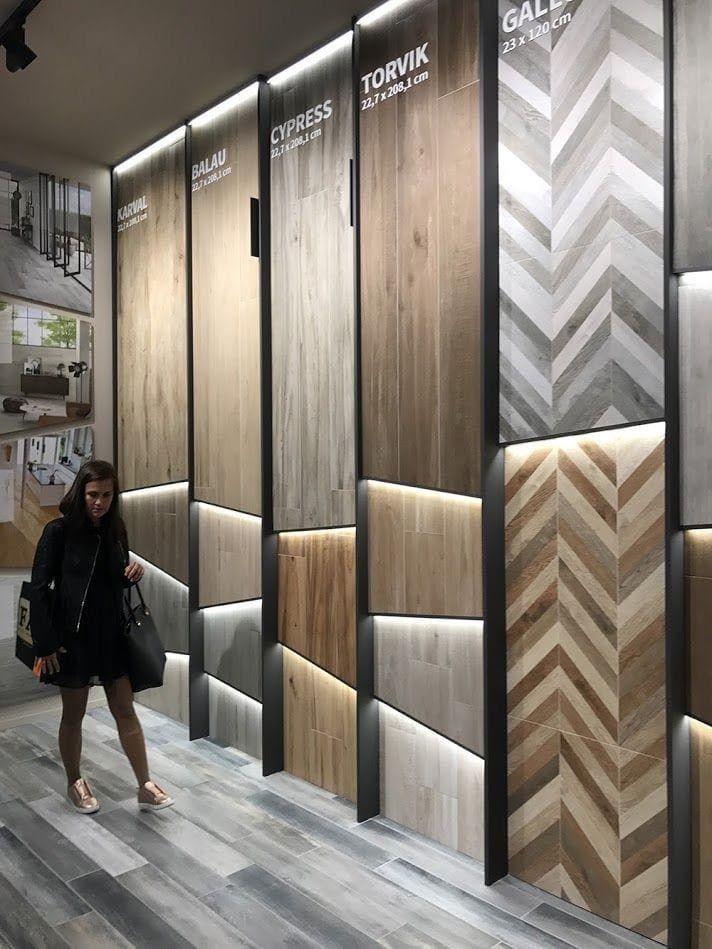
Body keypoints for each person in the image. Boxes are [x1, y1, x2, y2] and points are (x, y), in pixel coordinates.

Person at [29, 459, 174, 815]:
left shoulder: (115, 530)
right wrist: (45, 643)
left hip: (111, 636)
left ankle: (144, 784)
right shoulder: (58, 532)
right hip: (72, 640)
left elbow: (112, 580)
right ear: (80, 492)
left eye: (107, 495)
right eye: (93, 494)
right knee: (72, 715)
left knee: (125, 710)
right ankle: (74, 782)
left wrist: (131, 573)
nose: (100, 502)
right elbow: (38, 589)